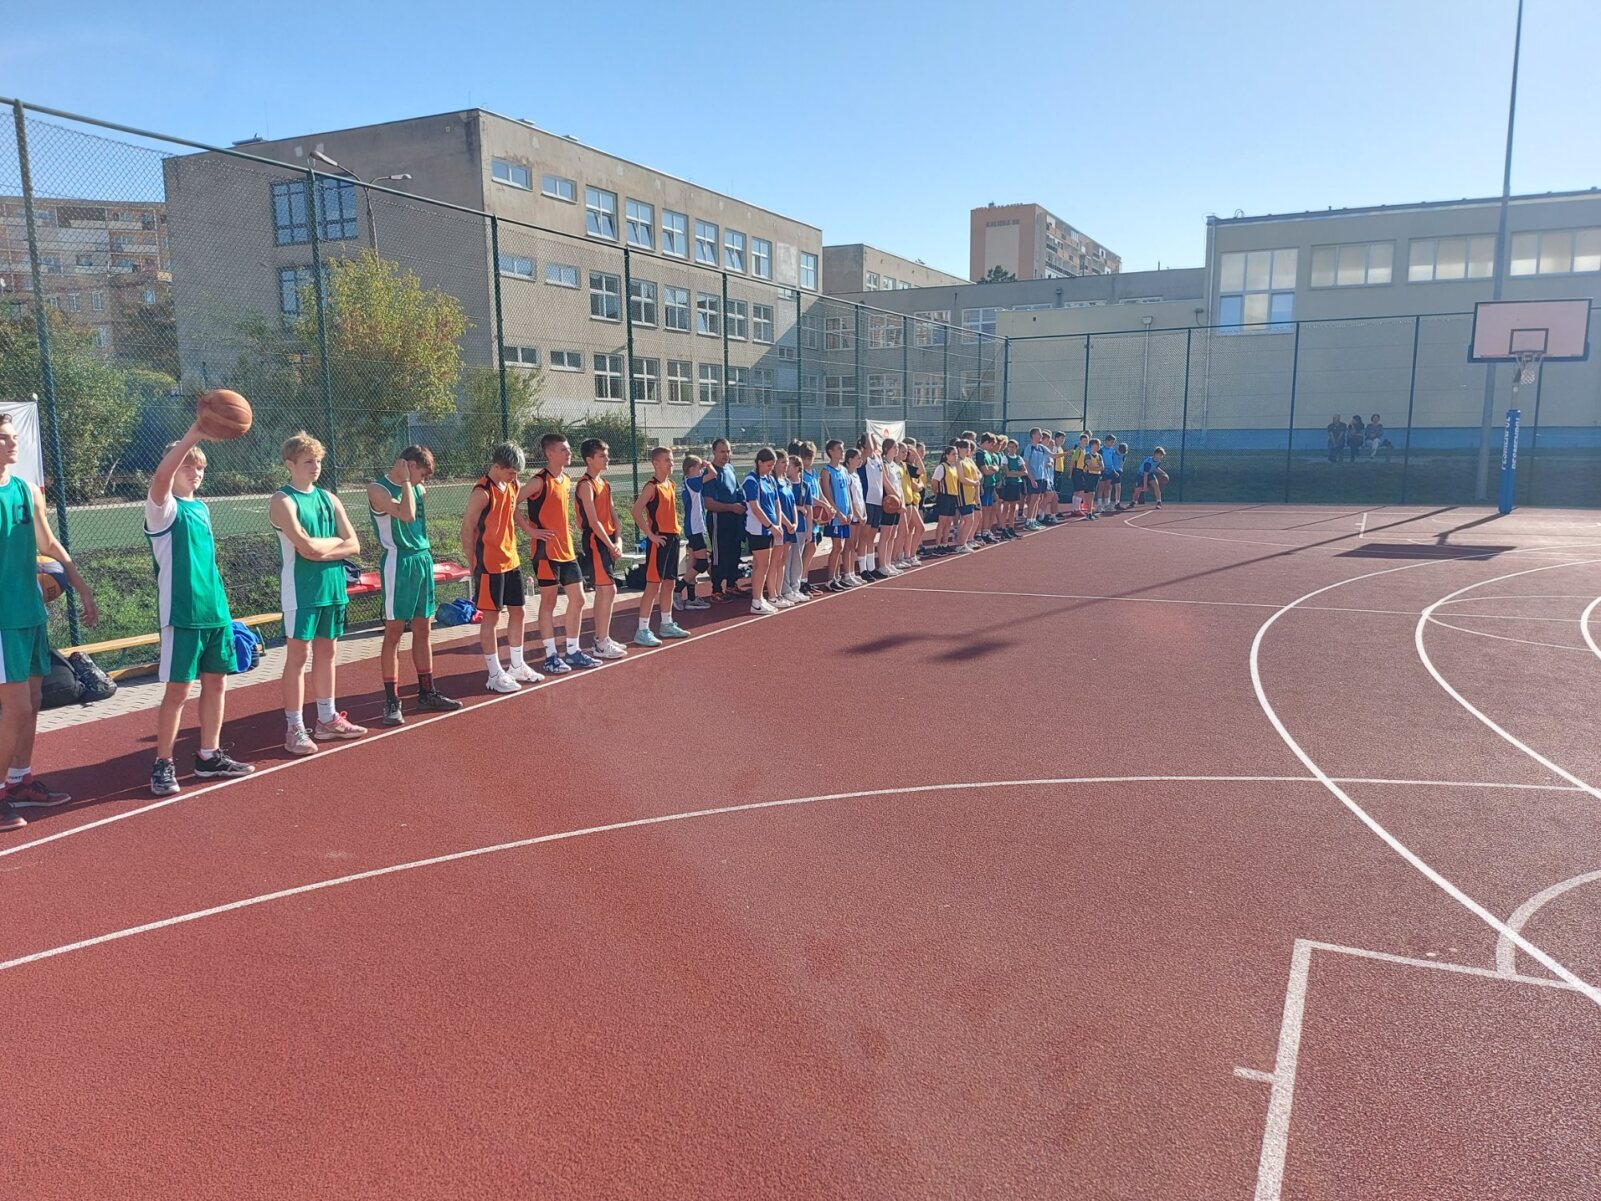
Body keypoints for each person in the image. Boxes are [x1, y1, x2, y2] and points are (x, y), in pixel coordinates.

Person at [143, 429, 256, 795]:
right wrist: (195, 435)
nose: (195, 472)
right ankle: (163, 763)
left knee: (217, 683)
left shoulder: (202, 508)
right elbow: (162, 476)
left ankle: (209, 755)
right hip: (182, 613)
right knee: (178, 691)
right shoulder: (163, 509)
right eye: (187, 466)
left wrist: (225, 611)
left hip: (214, 612)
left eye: (200, 467)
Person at [0, 411, 98, 829]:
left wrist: (81, 585)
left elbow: (49, 541)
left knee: (34, 702)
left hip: (30, 611)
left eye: (12, 435)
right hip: (2, 619)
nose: (13, 442)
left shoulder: (25, 489)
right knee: (16, 708)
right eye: (4, 437)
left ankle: (19, 781)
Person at [268, 432, 367, 756]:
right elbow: (304, 547)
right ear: (290, 464)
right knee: (298, 657)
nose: (315, 466)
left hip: (333, 588)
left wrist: (322, 549)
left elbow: (354, 544)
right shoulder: (283, 500)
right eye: (308, 461)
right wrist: (334, 545)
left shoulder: (329, 498)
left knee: (327, 653)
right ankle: (294, 727)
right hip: (301, 590)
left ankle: (327, 719)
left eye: (318, 461)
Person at [368, 444, 460, 729]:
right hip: (398, 562)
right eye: (421, 473)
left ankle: (426, 692)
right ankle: (391, 701)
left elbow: (416, 511)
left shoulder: (419, 488)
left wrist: (413, 483)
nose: (423, 480)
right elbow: (406, 515)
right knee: (394, 632)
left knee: (424, 628)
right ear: (407, 465)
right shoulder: (378, 489)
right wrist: (408, 481)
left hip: (422, 559)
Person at [518, 433, 600, 674]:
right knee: (549, 602)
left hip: (567, 551)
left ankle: (572, 651)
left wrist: (566, 526)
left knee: (579, 599)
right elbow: (511, 503)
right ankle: (550, 656)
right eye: (564, 450)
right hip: (545, 553)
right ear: (550, 453)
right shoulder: (538, 481)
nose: (569, 453)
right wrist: (530, 531)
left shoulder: (565, 480)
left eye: (569, 449)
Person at [460, 441, 538, 694]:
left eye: (516, 473)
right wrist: (473, 563)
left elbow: (512, 510)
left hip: (511, 560)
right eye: (511, 472)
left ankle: (517, 665)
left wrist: (528, 529)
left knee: (519, 612)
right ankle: (494, 674)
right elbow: (467, 529)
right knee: (491, 617)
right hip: (489, 564)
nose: (515, 477)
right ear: (496, 467)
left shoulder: (512, 485)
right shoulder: (482, 493)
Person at [574, 438, 629, 661]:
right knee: (609, 590)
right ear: (589, 459)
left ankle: (601, 638)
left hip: (608, 540)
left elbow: (615, 517)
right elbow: (594, 521)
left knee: (604, 590)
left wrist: (619, 541)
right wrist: (609, 544)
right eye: (602, 456)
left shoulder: (605, 484)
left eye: (607, 455)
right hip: (595, 541)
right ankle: (601, 642)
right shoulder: (585, 485)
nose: (607, 459)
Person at [631, 446, 691, 645]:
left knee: (670, 583)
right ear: (655, 463)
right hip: (659, 541)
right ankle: (642, 629)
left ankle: (666, 624)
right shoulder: (652, 486)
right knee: (653, 585)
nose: (671, 463)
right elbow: (636, 511)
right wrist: (650, 535)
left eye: (672, 460)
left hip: (672, 539)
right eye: (667, 460)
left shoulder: (671, 484)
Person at [701, 438, 746, 603]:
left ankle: (731, 585)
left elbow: (736, 491)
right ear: (714, 452)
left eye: (728, 451)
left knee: (734, 552)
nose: (725, 455)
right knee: (719, 554)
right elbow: (708, 503)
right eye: (722, 451)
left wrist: (741, 505)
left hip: (734, 518)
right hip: (718, 519)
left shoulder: (730, 468)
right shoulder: (710, 472)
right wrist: (731, 507)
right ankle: (716, 589)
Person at [742, 448, 786, 613]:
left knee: (760, 565)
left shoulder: (770, 479)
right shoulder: (751, 480)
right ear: (759, 462)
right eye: (768, 465)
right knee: (762, 564)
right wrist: (770, 526)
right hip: (758, 529)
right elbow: (755, 507)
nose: (771, 468)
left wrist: (778, 524)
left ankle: (759, 598)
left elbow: (777, 503)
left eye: (772, 465)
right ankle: (756, 601)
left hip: (770, 529)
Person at [792, 440, 830, 595]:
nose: (808, 461)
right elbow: (810, 498)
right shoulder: (801, 476)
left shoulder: (813, 473)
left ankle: (804, 579)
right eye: (805, 458)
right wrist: (823, 505)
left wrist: (828, 506)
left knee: (812, 547)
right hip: (807, 516)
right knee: (807, 548)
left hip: (816, 517)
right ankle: (800, 581)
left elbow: (819, 493)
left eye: (811, 458)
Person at [675, 453, 711, 611]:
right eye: (698, 468)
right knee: (702, 564)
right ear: (690, 469)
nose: (701, 470)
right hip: (694, 528)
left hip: (694, 527)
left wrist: (701, 465)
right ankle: (677, 589)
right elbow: (713, 474)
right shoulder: (692, 481)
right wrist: (707, 465)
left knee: (693, 563)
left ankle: (691, 598)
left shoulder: (688, 481)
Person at [819, 440, 854, 591]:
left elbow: (848, 493)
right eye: (839, 449)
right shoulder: (827, 471)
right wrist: (838, 513)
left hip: (845, 514)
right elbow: (827, 495)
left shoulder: (844, 470)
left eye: (842, 448)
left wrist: (850, 511)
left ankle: (837, 577)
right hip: (835, 517)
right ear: (831, 452)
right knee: (837, 546)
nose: (842, 451)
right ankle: (830, 579)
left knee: (842, 546)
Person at [853, 434, 885, 582]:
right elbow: (869, 449)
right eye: (872, 442)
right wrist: (868, 434)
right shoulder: (863, 459)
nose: (875, 445)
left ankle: (871, 567)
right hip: (867, 500)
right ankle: (863, 569)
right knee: (864, 536)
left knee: (872, 536)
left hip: (877, 501)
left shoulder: (878, 459)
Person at [782, 453, 813, 602]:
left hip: (800, 527)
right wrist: (799, 508)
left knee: (797, 559)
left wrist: (809, 530)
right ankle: (785, 588)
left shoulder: (805, 486)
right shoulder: (785, 484)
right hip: (788, 527)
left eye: (789, 466)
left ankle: (796, 587)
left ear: (797, 468)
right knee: (787, 559)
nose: (786, 468)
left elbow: (809, 509)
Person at [878, 439, 906, 575]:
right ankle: (882, 565)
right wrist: (897, 500)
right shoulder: (883, 464)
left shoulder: (895, 465)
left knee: (892, 535)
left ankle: (889, 563)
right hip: (889, 503)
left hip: (898, 503)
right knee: (885, 535)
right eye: (894, 447)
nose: (896, 450)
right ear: (886, 449)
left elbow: (899, 486)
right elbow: (886, 484)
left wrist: (902, 502)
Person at [931, 444, 963, 554]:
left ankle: (945, 544)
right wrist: (936, 494)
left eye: (956, 454)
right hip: (944, 496)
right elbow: (934, 481)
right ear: (947, 455)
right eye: (953, 454)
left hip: (953, 496)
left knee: (949, 521)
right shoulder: (942, 467)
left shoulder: (954, 468)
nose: (955, 456)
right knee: (942, 522)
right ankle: (937, 545)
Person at [1023, 428, 1052, 528]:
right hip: (1034, 477)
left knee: (1038, 499)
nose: (1041, 436)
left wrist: (1066, 454)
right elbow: (1026, 464)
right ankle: (1028, 522)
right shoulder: (1029, 448)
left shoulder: (1041, 448)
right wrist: (1032, 479)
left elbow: (1053, 455)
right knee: (1033, 499)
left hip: (1041, 477)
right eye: (1039, 434)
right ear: (1033, 435)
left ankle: (1033, 520)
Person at [999, 438, 1027, 537]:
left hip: (1016, 484)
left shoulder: (1019, 458)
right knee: (1006, 507)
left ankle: (1011, 528)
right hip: (1008, 485)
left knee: (1013, 507)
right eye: (1009, 447)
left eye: (1013, 447)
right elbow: (1007, 473)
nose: (1011, 449)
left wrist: (1015, 473)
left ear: (1016, 448)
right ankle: (1003, 529)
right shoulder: (1005, 458)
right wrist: (1017, 473)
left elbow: (1025, 472)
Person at [1080, 438, 1104, 520]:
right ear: (1093, 445)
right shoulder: (1087, 455)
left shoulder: (1099, 456)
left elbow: (1102, 467)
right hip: (1089, 475)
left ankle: (1089, 512)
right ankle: (1088, 512)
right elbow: (1090, 466)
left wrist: (1095, 468)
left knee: (1092, 494)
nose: (1099, 446)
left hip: (1096, 476)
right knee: (1090, 494)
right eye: (1098, 444)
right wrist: (1097, 467)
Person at [1096, 434, 1121, 515]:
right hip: (1102, 471)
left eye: (1113, 442)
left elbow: (1111, 461)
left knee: (1107, 487)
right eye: (1111, 442)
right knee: (1101, 488)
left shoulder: (1112, 450)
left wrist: (1114, 471)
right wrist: (1100, 468)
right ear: (1107, 441)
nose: (1112, 443)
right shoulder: (1101, 450)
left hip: (1110, 471)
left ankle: (1107, 504)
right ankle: (1099, 505)